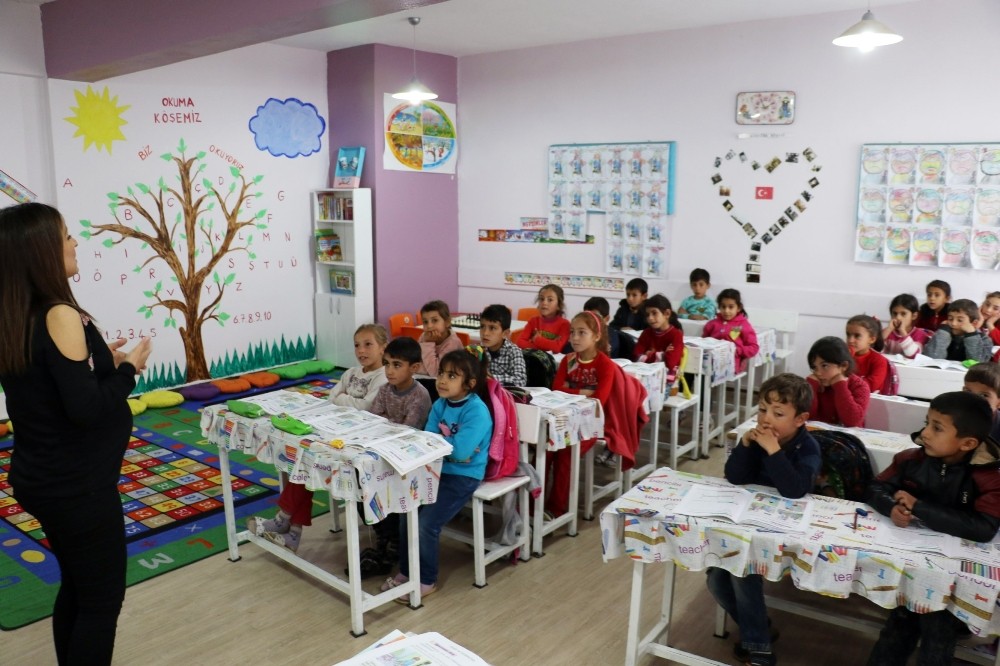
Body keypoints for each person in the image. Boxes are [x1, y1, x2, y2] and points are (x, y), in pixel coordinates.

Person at [0, 202, 153, 665]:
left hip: (44, 476)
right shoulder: (59, 314)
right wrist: (127, 371)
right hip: (75, 486)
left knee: (79, 587)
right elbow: (85, 409)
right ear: (42, 251)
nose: (75, 242)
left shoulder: (16, 314)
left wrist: (103, 360)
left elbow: (50, 384)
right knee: (101, 602)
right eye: (66, 236)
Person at [865, 392, 1000, 666]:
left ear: (968, 443)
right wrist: (891, 507)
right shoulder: (912, 459)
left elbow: (984, 528)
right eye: (927, 423)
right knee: (896, 631)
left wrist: (919, 507)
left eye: (937, 428)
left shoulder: (989, 476)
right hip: (912, 569)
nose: (925, 433)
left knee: (937, 640)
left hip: (955, 584)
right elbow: (875, 487)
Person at [707, 373, 821, 666]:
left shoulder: (808, 447)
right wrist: (746, 446)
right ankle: (760, 629)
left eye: (778, 413)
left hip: (786, 529)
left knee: (742, 573)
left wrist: (773, 450)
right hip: (748, 521)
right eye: (762, 409)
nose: (766, 418)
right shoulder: (757, 440)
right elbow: (735, 476)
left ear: (800, 419)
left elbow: (795, 490)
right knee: (716, 580)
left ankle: (760, 649)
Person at [246, 324, 387, 553]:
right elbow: (332, 398)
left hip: (358, 438)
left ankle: (284, 522)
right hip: (334, 430)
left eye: (368, 344)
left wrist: (343, 399)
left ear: (383, 347)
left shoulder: (383, 376)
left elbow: (366, 407)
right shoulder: (350, 372)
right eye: (357, 345)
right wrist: (345, 401)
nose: (361, 350)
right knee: (303, 461)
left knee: (307, 464)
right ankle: (292, 531)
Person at [381, 348, 493, 599]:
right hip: (435, 469)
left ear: (469, 383)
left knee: (426, 524)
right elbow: (427, 440)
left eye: (451, 376)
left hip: (463, 476)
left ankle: (426, 579)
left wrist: (444, 446)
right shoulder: (441, 404)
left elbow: (461, 452)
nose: (441, 380)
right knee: (406, 513)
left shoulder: (476, 411)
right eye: (441, 373)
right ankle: (407, 571)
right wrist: (448, 446)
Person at [359, 336, 432, 576]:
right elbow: (371, 421)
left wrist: (385, 426)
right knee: (361, 487)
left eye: (397, 365)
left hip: (408, 460)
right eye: (387, 364)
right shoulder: (384, 390)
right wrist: (384, 427)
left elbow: (407, 433)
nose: (389, 371)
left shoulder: (419, 396)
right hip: (383, 452)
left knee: (380, 488)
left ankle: (394, 541)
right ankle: (384, 535)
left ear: (414, 367)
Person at [806, 336, 870, 427]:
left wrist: (840, 386)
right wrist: (810, 387)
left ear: (844, 365)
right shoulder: (814, 384)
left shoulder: (859, 386)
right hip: (819, 433)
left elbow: (852, 421)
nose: (818, 373)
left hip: (848, 435)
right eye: (814, 367)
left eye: (824, 366)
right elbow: (806, 416)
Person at [633, 294, 684, 388]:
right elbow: (636, 357)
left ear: (667, 314)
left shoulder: (676, 335)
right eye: (647, 315)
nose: (650, 318)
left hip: (666, 382)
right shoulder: (646, 333)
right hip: (645, 378)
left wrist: (649, 355)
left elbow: (670, 363)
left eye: (654, 313)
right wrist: (663, 355)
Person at [703, 288, 759, 372]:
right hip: (710, 362)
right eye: (723, 307)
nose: (726, 311)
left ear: (739, 308)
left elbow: (754, 347)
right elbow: (703, 342)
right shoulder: (712, 324)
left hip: (731, 365)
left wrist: (738, 350)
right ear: (719, 307)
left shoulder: (743, 325)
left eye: (731, 307)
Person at [923, 298, 993, 363]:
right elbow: (930, 359)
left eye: (960, 320)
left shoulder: (984, 339)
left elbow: (978, 363)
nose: (953, 323)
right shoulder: (942, 333)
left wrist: (971, 335)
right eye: (950, 319)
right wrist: (943, 332)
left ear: (974, 323)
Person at [478, 304, 526, 386]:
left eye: (492, 328)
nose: (485, 333)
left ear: (505, 333)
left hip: (505, 393)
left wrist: (492, 378)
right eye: (482, 326)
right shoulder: (478, 350)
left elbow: (520, 380)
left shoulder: (514, 351)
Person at [515, 283, 570, 353]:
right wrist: (545, 347)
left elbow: (557, 348)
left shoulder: (565, 324)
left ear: (558, 305)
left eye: (550, 300)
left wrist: (537, 340)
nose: (544, 303)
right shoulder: (533, 321)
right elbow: (520, 342)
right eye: (541, 299)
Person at [418, 300, 465, 376]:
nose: (429, 326)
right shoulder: (424, 336)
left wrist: (428, 343)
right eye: (425, 322)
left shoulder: (453, 343)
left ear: (447, 322)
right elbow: (414, 361)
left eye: (434, 320)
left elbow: (436, 372)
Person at [846, 314, 890, 393]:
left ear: (871, 339)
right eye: (848, 335)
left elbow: (871, 385)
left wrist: (846, 384)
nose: (850, 340)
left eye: (857, 336)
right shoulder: (842, 356)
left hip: (871, 399)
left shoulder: (879, 360)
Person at [881, 293, 932, 358]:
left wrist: (903, 332)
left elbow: (914, 355)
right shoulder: (886, 332)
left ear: (914, 316)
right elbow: (877, 350)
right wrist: (888, 330)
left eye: (903, 314)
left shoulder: (920, 335)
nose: (898, 317)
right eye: (895, 313)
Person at [963, 362, 1000, 441]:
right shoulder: (953, 417)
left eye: (984, 395)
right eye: (968, 391)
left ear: (999, 403)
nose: (973, 398)